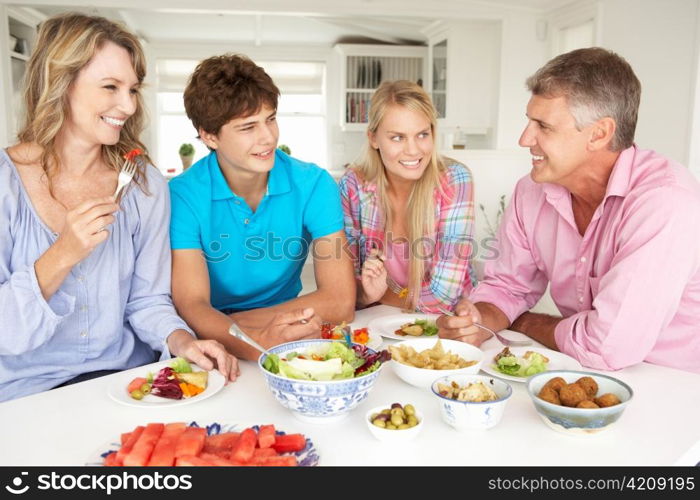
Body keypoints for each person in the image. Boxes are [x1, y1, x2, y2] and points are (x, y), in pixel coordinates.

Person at [0, 13, 238, 402]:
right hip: (25, 395)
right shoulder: (5, 183)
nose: (127, 106)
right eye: (110, 87)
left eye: (133, 89)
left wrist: (182, 341)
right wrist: (63, 254)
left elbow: (147, 301)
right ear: (59, 84)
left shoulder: (143, 183)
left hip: (126, 382)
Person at [438, 47, 700, 373]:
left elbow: (607, 347)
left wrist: (526, 323)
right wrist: (478, 320)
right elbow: (508, 286)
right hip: (578, 370)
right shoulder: (531, 192)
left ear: (599, 133)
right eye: (528, 121)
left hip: (673, 386)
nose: (524, 138)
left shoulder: (664, 203)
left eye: (543, 126)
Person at [169, 54, 355, 361]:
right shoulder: (183, 195)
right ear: (209, 135)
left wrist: (236, 326)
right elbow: (192, 305)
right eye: (247, 127)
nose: (268, 137)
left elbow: (339, 301)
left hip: (274, 331)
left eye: (270, 119)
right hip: (217, 346)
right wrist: (258, 341)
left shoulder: (313, 184)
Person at [339, 80, 476, 313]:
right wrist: (364, 294)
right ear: (373, 138)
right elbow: (345, 287)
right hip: (376, 319)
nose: (413, 150)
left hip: (444, 322)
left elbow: (442, 298)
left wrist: (377, 296)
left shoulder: (454, 180)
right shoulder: (354, 185)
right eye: (397, 137)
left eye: (422, 134)